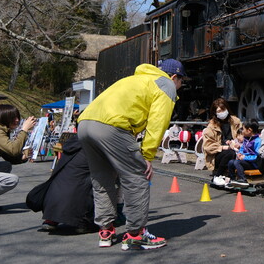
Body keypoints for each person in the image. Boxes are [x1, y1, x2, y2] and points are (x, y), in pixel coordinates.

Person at [78, 59, 185, 250]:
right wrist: (147, 156)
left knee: (102, 178)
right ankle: (136, 233)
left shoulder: (137, 79)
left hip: (85, 123)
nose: (180, 87)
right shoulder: (166, 84)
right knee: (137, 175)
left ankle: (106, 231)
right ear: (175, 77)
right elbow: (157, 123)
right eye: (181, 82)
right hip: (112, 126)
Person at [36, 133, 98, 233]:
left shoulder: (69, 150)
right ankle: (82, 223)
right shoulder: (91, 148)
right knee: (97, 181)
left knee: (65, 181)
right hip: (78, 202)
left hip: (51, 201)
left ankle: (51, 220)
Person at [203, 98, 242, 187]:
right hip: (218, 154)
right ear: (215, 113)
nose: (222, 113)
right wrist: (224, 147)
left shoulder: (235, 121)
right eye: (219, 111)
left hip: (236, 150)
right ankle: (217, 175)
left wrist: (237, 143)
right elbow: (208, 146)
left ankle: (236, 178)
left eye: (223, 110)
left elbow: (242, 135)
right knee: (230, 153)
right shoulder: (211, 126)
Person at [226, 119, 261, 187]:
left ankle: (243, 179)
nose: (242, 130)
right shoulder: (246, 138)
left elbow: (257, 156)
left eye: (243, 129)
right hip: (245, 161)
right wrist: (240, 153)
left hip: (253, 163)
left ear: (249, 130)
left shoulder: (257, 141)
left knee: (237, 162)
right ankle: (233, 179)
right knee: (231, 162)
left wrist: (245, 157)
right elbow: (242, 148)